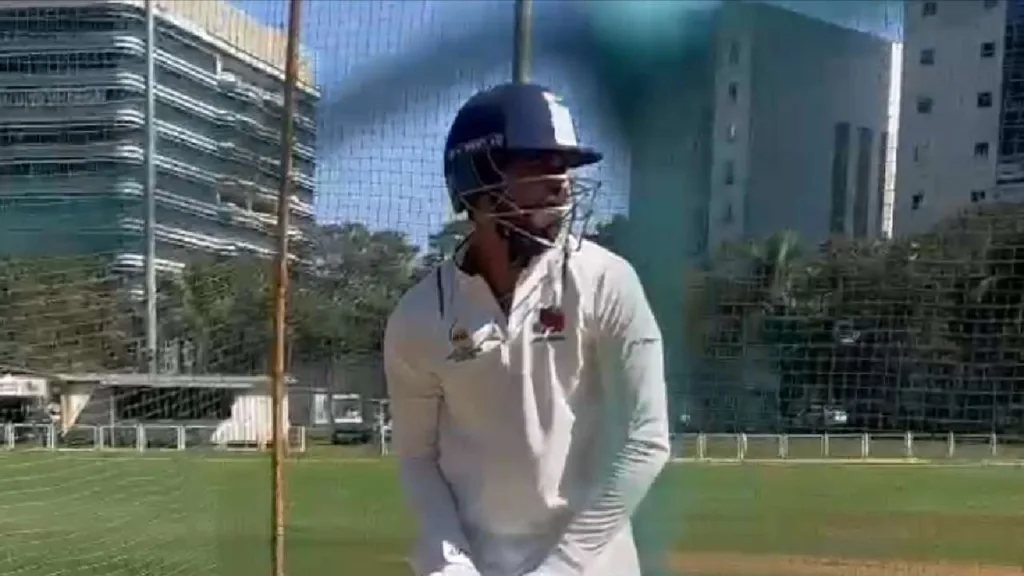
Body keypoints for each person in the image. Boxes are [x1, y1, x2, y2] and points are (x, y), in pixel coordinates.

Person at [384, 82, 670, 576]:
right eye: (538, 163)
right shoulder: (419, 316)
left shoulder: (606, 281)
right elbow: (417, 457)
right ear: (477, 180)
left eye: (565, 166)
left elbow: (647, 440)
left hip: (590, 566)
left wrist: (562, 567)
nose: (561, 184)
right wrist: (451, 562)